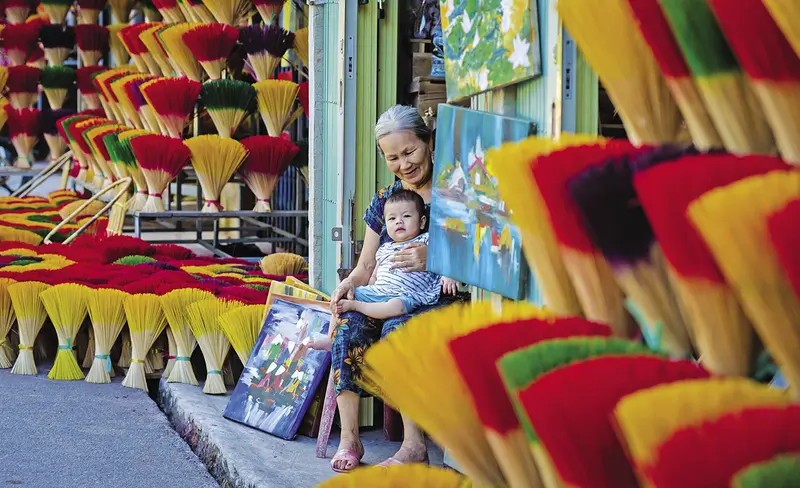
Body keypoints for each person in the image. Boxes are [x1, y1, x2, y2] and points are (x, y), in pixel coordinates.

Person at [327, 105, 462, 473]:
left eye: (409, 151)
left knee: (397, 329)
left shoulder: (454, 192)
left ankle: (414, 445)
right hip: (388, 294)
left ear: (428, 142)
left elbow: (480, 249)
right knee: (348, 327)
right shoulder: (385, 201)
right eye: (393, 157)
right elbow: (366, 266)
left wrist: (436, 256)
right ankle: (350, 438)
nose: (404, 164)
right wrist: (347, 286)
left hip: (438, 298)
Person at [334, 189, 457, 320]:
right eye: (392, 218)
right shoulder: (384, 248)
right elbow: (374, 276)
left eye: (406, 216)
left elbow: (448, 252)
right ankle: (331, 331)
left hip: (405, 295)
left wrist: (448, 273)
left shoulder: (426, 239)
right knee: (341, 296)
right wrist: (369, 287)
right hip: (379, 291)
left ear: (422, 222)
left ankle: (357, 306)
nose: (399, 221)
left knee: (397, 306)